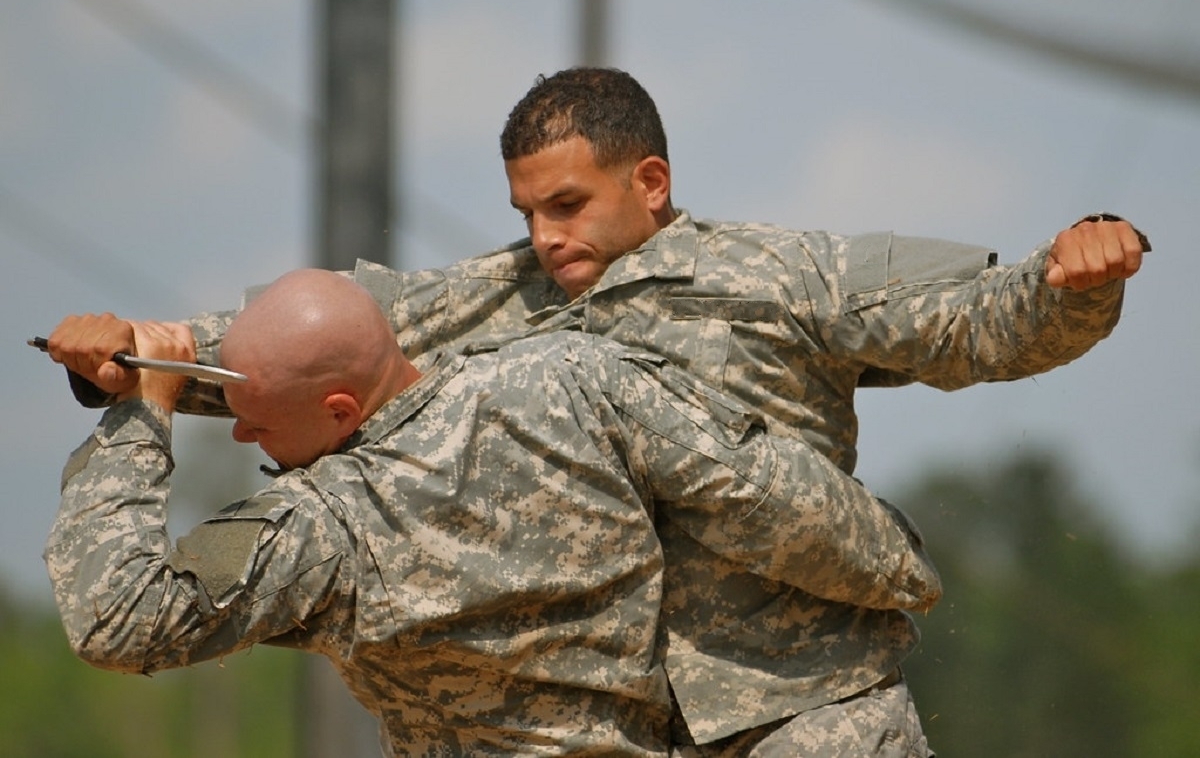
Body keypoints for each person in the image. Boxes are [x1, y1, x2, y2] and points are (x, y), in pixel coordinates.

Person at [65, 67, 1147, 756]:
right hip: (613, 727)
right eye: (527, 209)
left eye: (568, 203)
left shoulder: (786, 274)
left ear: (653, 180)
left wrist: (1080, 276)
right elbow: (313, 349)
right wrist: (139, 360)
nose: (544, 234)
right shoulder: (500, 292)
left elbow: (976, 321)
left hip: (806, 707)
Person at [44, 269, 941, 757]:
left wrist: (143, 411)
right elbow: (764, 491)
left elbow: (119, 619)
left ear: (340, 416)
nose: (239, 432)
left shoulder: (328, 527)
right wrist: (903, 569)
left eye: (255, 416)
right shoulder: (572, 376)